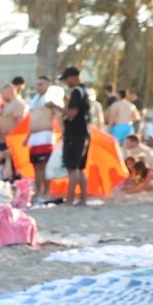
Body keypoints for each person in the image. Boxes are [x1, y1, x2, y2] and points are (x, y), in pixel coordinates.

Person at [58, 66, 93, 207]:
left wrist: (56, 107)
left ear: (73, 77)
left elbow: (72, 113)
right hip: (83, 133)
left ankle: (70, 199)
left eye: (66, 79)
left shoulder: (77, 92)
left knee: (72, 168)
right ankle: (82, 199)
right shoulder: (84, 92)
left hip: (75, 134)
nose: (66, 83)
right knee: (79, 168)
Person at [25, 78, 62, 203]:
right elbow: (31, 121)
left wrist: (63, 132)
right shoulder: (34, 101)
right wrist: (27, 136)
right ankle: (38, 191)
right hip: (34, 137)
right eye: (37, 84)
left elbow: (59, 116)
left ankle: (46, 191)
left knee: (45, 166)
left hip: (45, 136)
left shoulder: (50, 100)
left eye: (41, 84)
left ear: (48, 85)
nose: (38, 87)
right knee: (36, 167)